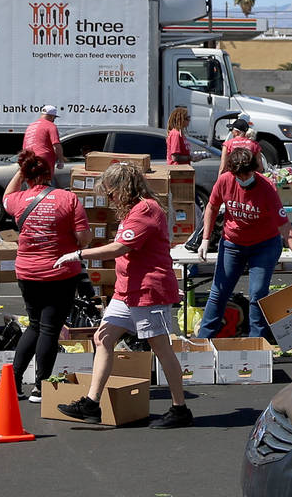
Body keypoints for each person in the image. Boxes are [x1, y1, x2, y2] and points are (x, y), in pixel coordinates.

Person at [52, 164, 191, 429]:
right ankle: (92, 403)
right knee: (102, 337)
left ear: (125, 188)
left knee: (161, 349)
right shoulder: (133, 211)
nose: (109, 199)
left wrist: (79, 255)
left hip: (148, 291)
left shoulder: (146, 210)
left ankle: (180, 408)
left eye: (112, 193)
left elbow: (119, 248)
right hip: (127, 291)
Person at [196, 148, 292, 340]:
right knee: (218, 293)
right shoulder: (225, 180)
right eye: (239, 175)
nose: (244, 178)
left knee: (257, 295)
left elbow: (284, 225)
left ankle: (256, 343)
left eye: (248, 174)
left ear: (254, 170)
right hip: (232, 244)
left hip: (264, 246)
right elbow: (211, 206)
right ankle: (202, 341)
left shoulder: (267, 187)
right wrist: (205, 240)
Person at [3, 150, 92, 402]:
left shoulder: (18, 200)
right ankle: (41, 386)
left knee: (34, 324)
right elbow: (84, 238)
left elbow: (6, 196)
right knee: (50, 329)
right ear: (50, 174)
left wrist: (21, 172)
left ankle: (14, 382)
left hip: (28, 272)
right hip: (60, 273)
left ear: (26, 175)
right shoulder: (68, 199)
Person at [23, 104, 65, 171]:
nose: (54, 119)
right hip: (44, 161)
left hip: (29, 160)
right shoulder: (51, 126)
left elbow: (25, 147)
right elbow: (56, 145)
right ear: (51, 116)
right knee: (44, 181)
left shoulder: (30, 126)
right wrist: (61, 161)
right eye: (54, 117)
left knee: (33, 181)